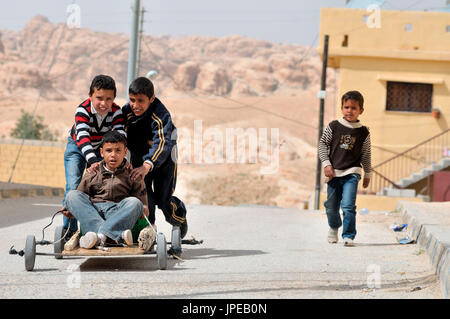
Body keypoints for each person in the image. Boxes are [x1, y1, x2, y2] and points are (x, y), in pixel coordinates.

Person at [121, 77, 187, 251]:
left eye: (141, 101)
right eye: (132, 100)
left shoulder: (161, 114)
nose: (135, 105)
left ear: (151, 98)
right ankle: (148, 233)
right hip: (139, 161)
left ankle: (179, 218)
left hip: (164, 161)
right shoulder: (126, 113)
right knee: (145, 199)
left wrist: (147, 165)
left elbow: (163, 142)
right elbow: (119, 135)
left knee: (164, 200)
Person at [62, 131, 153, 249]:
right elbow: (80, 199)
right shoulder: (92, 172)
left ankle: (99, 236)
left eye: (118, 150)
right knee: (72, 196)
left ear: (125, 152)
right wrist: (71, 208)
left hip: (118, 214)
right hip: (94, 212)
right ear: (101, 152)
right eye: (109, 150)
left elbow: (144, 209)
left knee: (135, 203)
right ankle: (111, 235)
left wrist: (142, 209)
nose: (113, 155)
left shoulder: (133, 175)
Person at [62, 75, 126, 235]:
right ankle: (69, 229)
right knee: (73, 185)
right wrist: (92, 161)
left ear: (114, 99)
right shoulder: (82, 110)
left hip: (101, 150)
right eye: (99, 98)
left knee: (100, 186)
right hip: (77, 147)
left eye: (108, 99)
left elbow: (120, 139)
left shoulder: (117, 112)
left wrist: (122, 161)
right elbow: (83, 137)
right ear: (90, 96)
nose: (104, 103)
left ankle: (99, 227)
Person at [318, 90, 372, 247]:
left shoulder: (363, 132)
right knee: (331, 206)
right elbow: (322, 144)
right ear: (342, 108)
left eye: (354, 108)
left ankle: (348, 235)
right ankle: (334, 227)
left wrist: (367, 173)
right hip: (334, 173)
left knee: (348, 206)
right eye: (346, 107)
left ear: (361, 110)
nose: (350, 111)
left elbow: (366, 154)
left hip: (352, 173)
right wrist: (326, 164)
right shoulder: (334, 126)